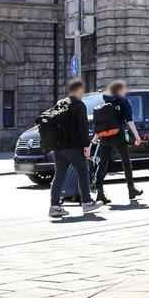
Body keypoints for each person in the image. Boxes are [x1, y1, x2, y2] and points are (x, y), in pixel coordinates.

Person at [48, 78, 101, 218]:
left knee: (59, 175)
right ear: (78, 90)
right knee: (83, 172)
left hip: (57, 147)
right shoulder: (79, 105)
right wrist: (86, 146)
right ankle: (87, 202)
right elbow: (83, 129)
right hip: (73, 147)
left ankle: (54, 206)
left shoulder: (59, 103)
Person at [93, 80, 143, 204]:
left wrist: (95, 137)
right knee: (126, 163)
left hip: (105, 137)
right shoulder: (124, 102)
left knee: (102, 164)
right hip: (118, 136)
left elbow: (102, 122)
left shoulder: (106, 101)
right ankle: (131, 190)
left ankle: (99, 192)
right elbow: (129, 121)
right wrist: (137, 136)